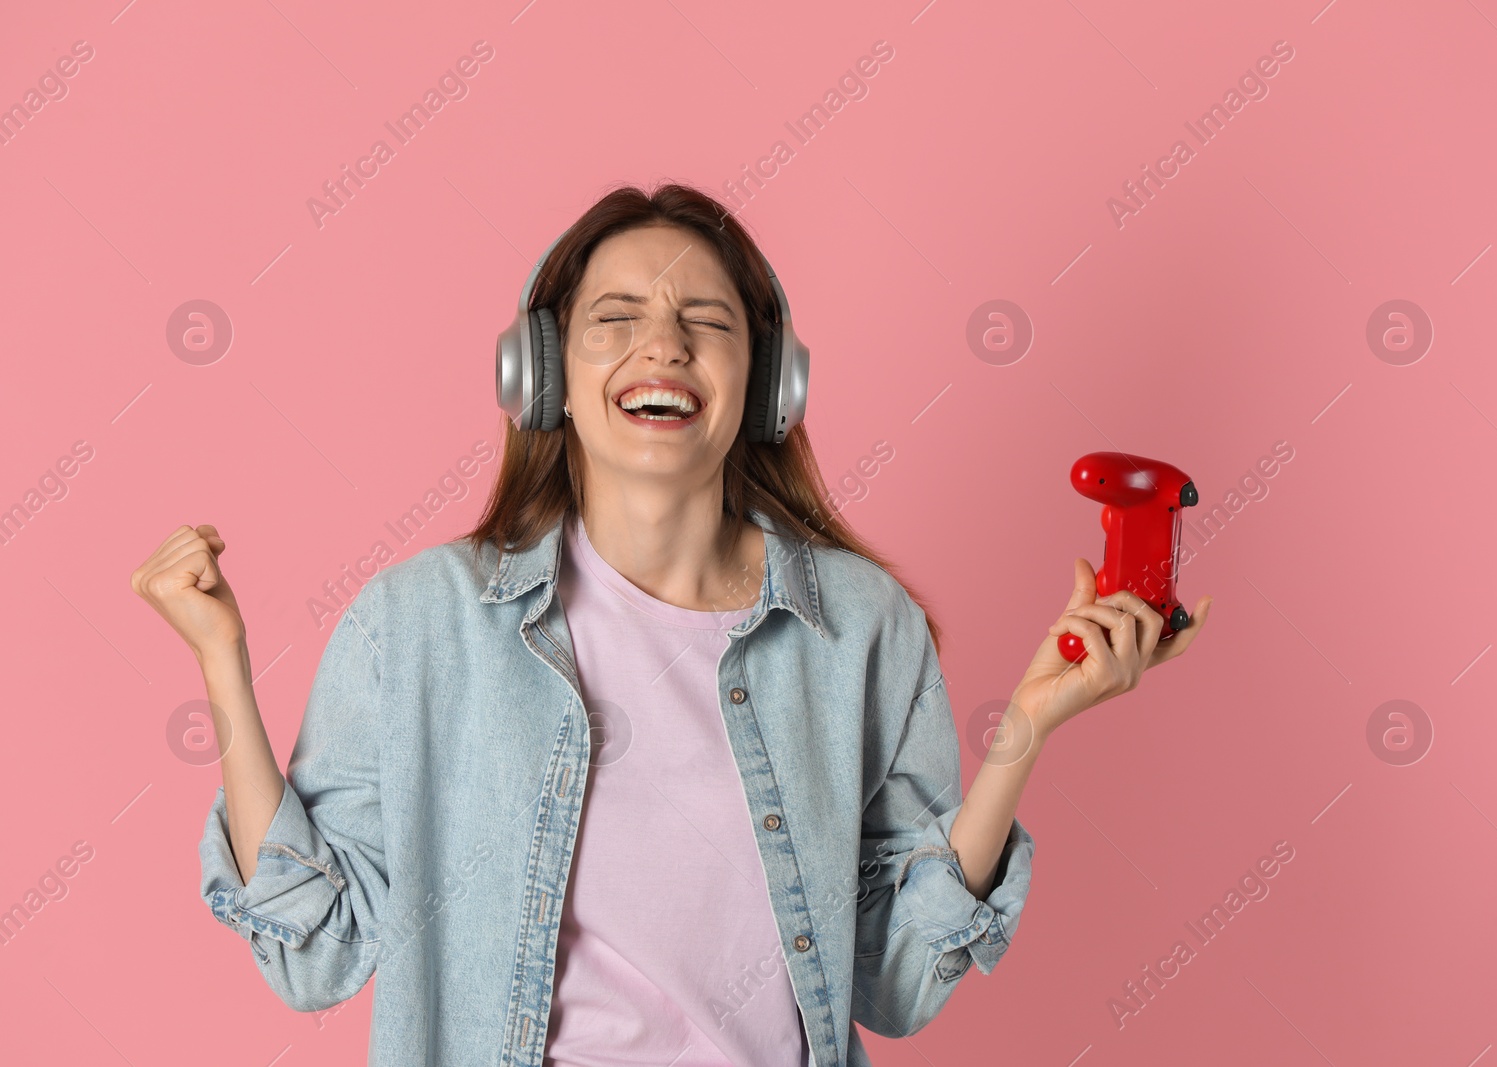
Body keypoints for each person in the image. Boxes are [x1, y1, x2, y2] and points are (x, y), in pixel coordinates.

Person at [129, 181, 1211, 1066]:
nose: (664, 346)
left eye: (706, 322)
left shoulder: (862, 627)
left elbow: (890, 981)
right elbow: (315, 953)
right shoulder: (417, 625)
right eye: (615, 321)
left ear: (769, 382)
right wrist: (224, 667)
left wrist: (1024, 726)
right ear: (543, 371)